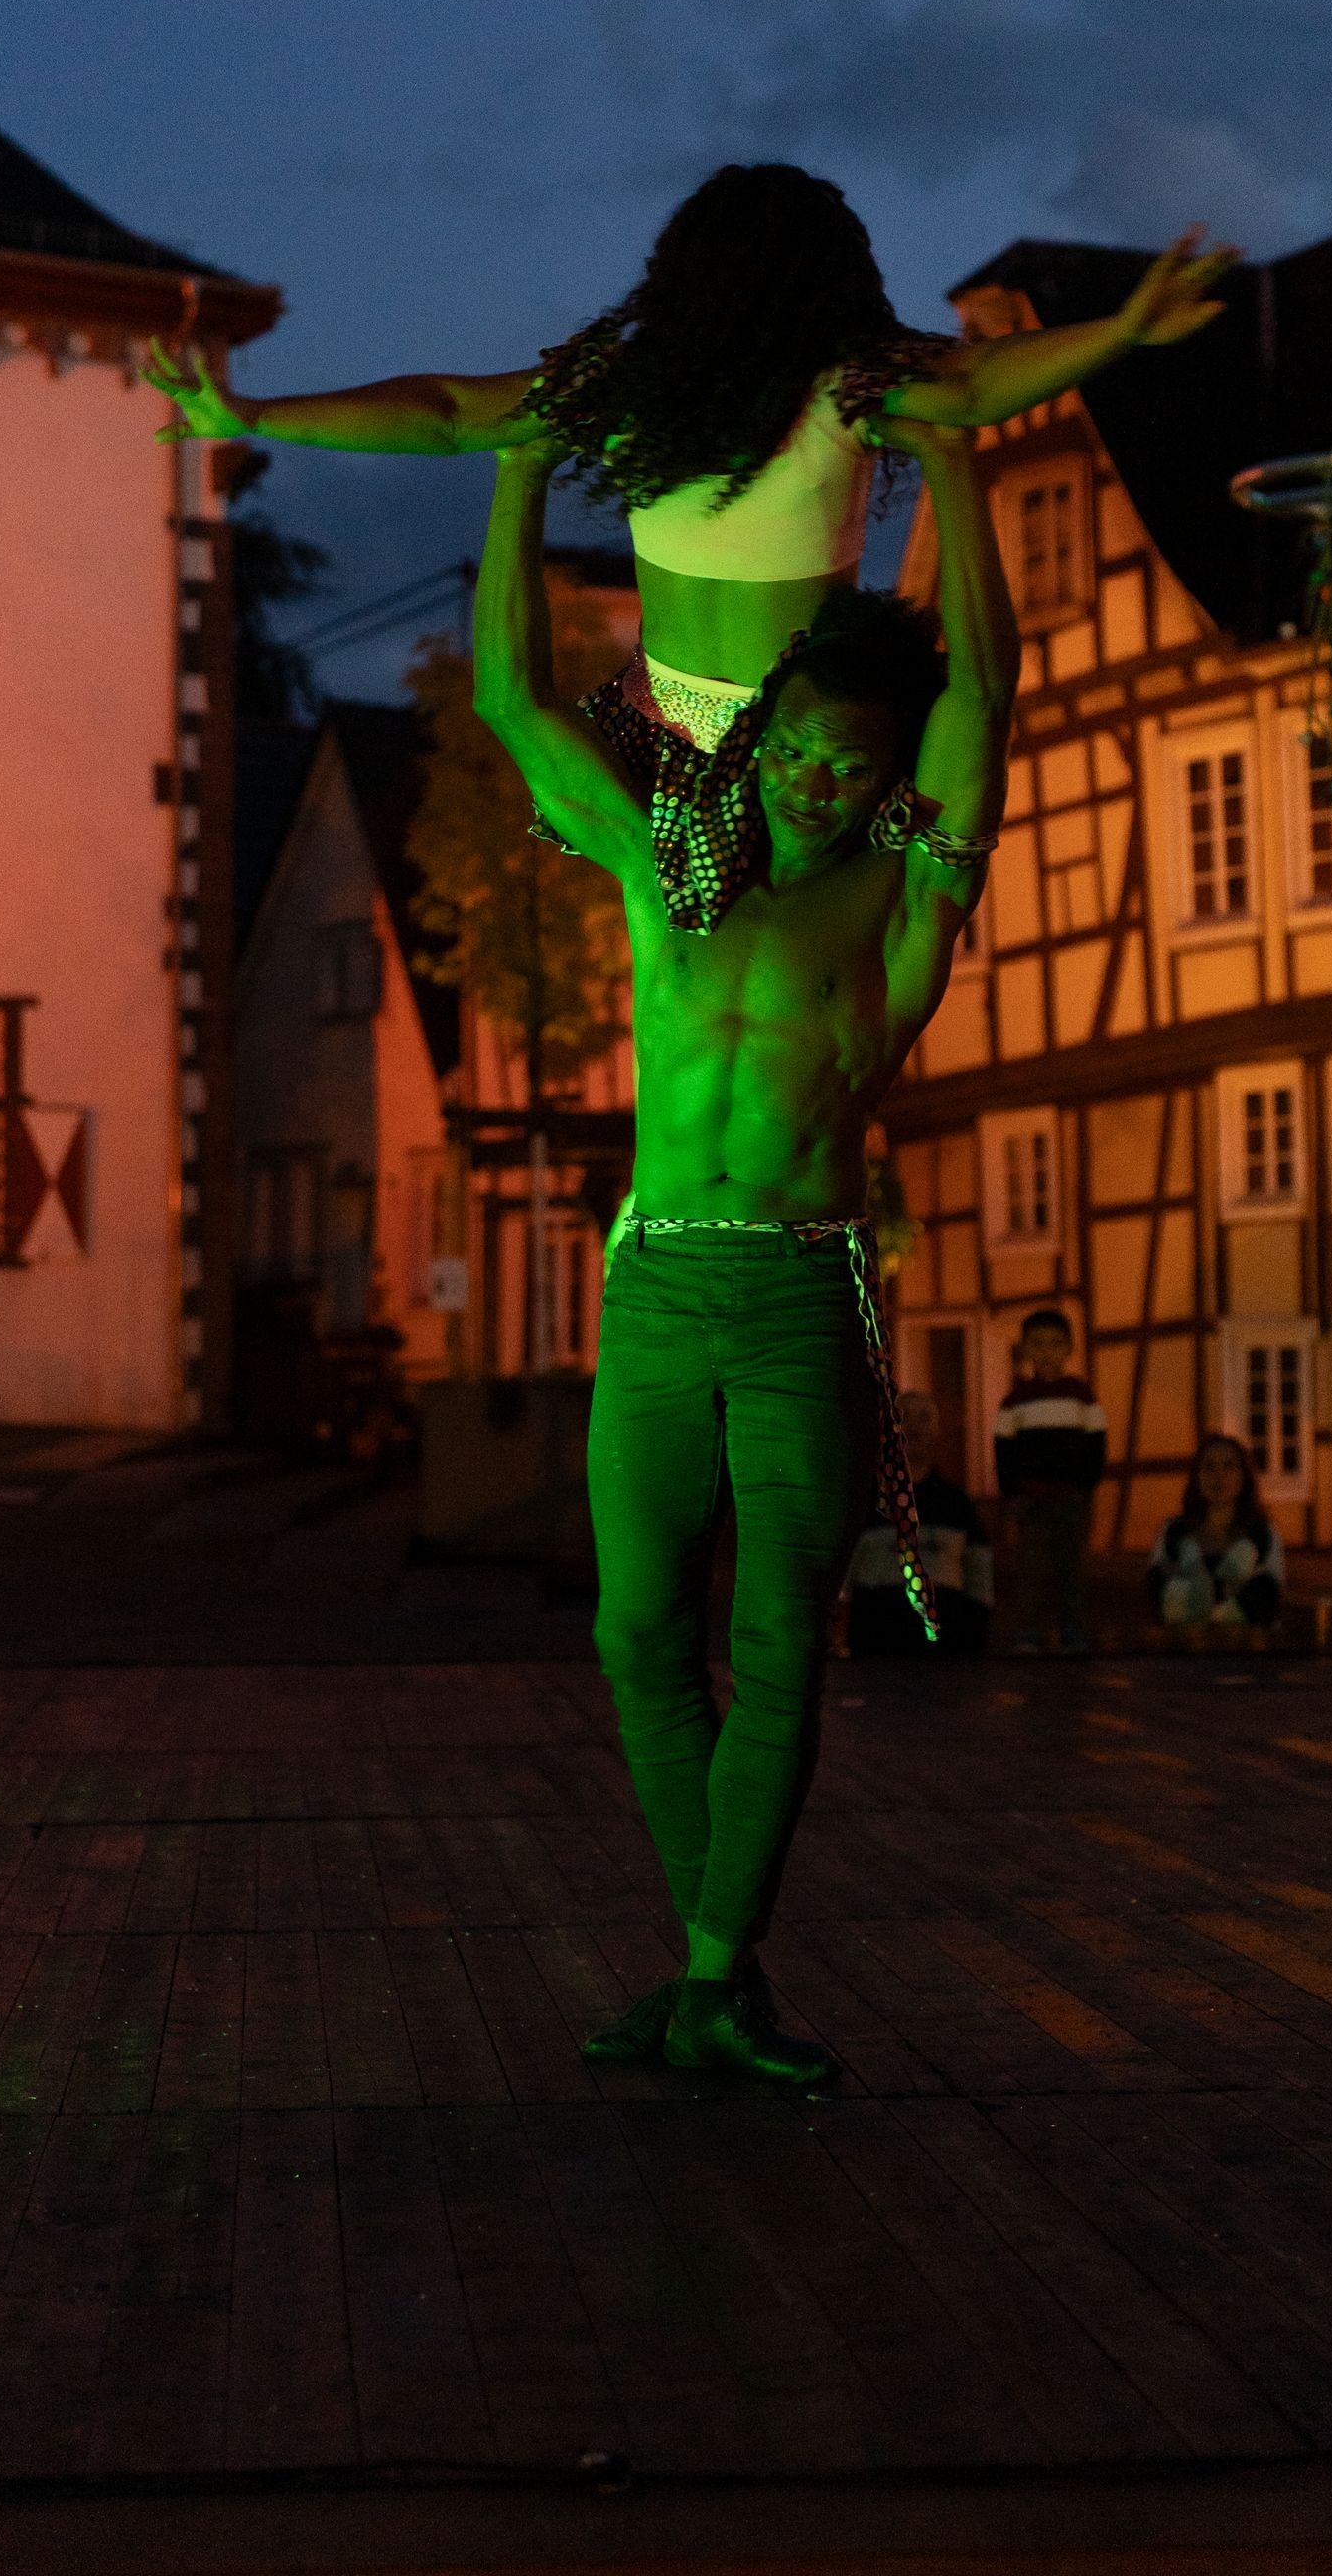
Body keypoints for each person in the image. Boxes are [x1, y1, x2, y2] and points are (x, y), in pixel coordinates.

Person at [467, 407, 1018, 2087]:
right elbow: (513, 701)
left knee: (781, 1644)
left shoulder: (905, 904)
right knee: (636, 1636)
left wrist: (960, 470)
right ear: (765, 729)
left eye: (854, 765)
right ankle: (719, 1971)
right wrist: (514, 469)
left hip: (792, 1300)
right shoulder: (666, 869)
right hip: (653, 1292)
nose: (814, 781)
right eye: (797, 747)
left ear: (887, 781)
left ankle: (712, 1977)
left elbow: (987, 701)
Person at [147, 164, 1228, 928]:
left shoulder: (822, 386)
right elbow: (444, 413)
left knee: (759, 965)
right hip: (684, 733)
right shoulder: (672, 390)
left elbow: (446, 412)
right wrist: (257, 412)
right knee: (717, 977)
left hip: (763, 736)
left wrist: (1119, 332)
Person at [840, 1388, 993, 1658]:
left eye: (924, 1418)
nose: (914, 1426)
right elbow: (842, 1576)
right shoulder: (865, 1503)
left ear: (936, 1430)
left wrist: (973, 1636)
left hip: (944, 1652)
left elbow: (979, 1578)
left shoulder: (956, 1505)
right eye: (904, 1416)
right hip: (875, 1650)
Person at [994, 1308, 1105, 1658]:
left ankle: (1072, 1630)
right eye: (1038, 1343)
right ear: (1025, 1348)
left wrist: (1087, 1484)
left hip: (1071, 1497)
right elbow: (1003, 1449)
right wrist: (1011, 1491)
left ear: (1069, 1348)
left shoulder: (1081, 1397)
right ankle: (1029, 1631)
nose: (1047, 1351)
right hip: (1030, 1497)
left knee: (1071, 1567)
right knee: (1031, 1567)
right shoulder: (1015, 1401)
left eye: (1055, 1343)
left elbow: (1096, 1443)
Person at [1148, 1434, 1284, 1650]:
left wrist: (1196, 1595)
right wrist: (1227, 1593)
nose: (1218, 1476)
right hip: (1183, 1653)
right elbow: (1159, 1593)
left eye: (1229, 1466)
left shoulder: (1263, 1536)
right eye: (1209, 1466)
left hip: (1246, 1654)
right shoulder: (1174, 1533)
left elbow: (1265, 1600)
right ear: (1197, 1476)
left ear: (1244, 1476)